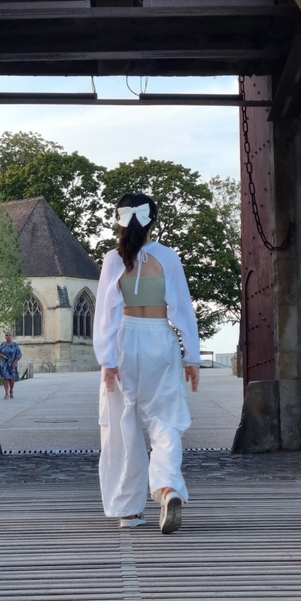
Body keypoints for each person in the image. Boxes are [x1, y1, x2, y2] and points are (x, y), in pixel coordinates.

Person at [93, 192, 200, 535]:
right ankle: (167, 489)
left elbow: (105, 313)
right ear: (154, 220)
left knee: (121, 424)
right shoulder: (167, 257)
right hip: (160, 340)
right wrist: (192, 357)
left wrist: (107, 360)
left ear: (119, 220)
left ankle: (128, 509)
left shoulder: (113, 259)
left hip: (124, 340)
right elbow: (182, 308)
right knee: (165, 419)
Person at [0, 330, 22, 399]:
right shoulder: (3, 344)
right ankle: (6, 393)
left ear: (12, 336)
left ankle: (11, 390)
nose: (8, 336)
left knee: (12, 378)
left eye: (9, 335)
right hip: (4, 364)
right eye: (7, 335)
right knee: (6, 378)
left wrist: (15, 362)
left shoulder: (15, 345)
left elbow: (19, 355)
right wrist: (2, 356)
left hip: (12, 364)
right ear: (5, 336)